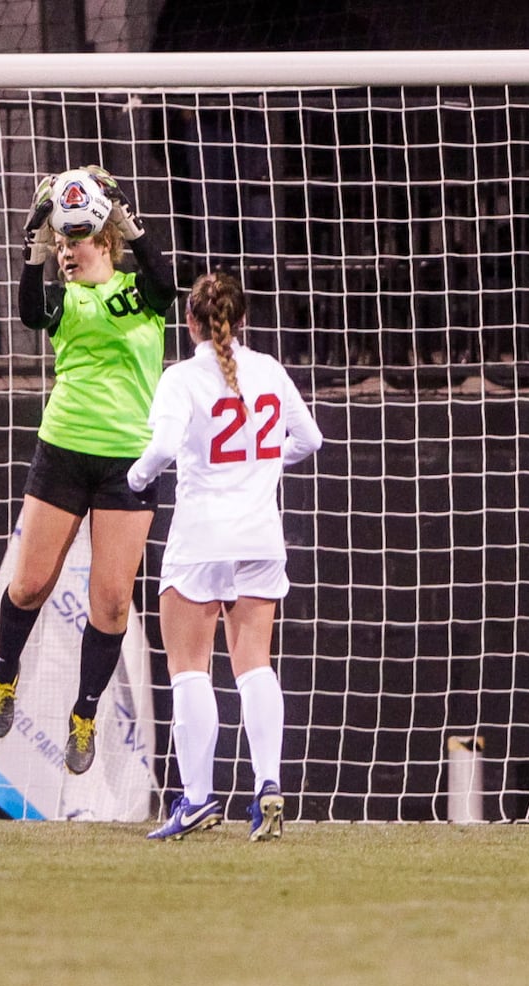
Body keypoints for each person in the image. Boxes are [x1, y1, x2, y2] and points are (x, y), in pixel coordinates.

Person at [0, 165, 178, 775]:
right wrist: (31, 243)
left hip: (129, 461)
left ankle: (84, 714)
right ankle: (5, 676)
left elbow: (170, 285)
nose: (66, 251)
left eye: (76, 240)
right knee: (30, 585)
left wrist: (126, 216)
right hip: (64, 449)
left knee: (113, 604)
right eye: (61, 243)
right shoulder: (60, 297)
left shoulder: (141, 291)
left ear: (105, 237)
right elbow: (27, 314)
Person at [127, 271, 323, 841]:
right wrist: (261, 466)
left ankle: (196, 799)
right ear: (243, 322)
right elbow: (310, 440)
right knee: (254, 663)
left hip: (201, 539)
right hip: (261, 537)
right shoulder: (269, 370)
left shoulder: (182, 378)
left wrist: (137, 478)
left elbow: (162, 448)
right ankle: (268, 786)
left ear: (188, 321)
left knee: (190, 669)